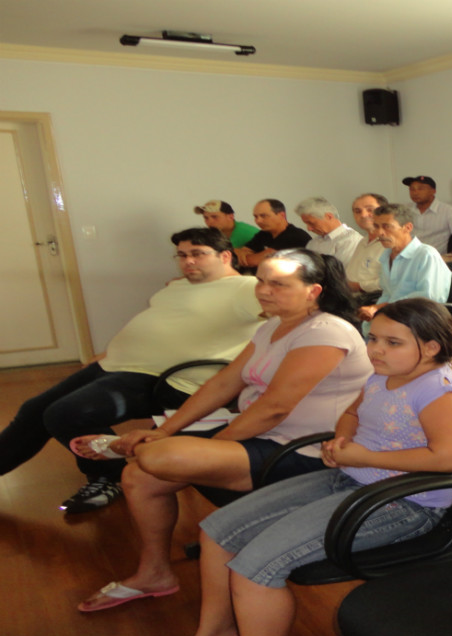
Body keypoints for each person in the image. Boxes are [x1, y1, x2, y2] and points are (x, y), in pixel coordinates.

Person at [138, 299, 452, 636]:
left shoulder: (441, 392)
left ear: (430, 348)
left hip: (403, 503)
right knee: (216, 531)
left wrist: (364, 455)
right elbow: (354, 413)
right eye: (373, 338)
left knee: (255, 568)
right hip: (353, 477)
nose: (375, 350)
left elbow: (448, 458)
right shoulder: (383, 374)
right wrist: (343, 438)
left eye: (392, 342)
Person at [73, 249, 373, 612]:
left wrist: (209, 448)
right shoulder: (273, 325)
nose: (263, 290)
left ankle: (130, 445)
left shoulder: (327, 331)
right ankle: (154, 573)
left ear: (313, 291)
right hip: (262, 437)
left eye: (278, 284)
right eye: (261, 280)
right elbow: (223, 384)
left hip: (306, 452)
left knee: (157, 457)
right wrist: (169, 430)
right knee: (140, 476)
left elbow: (275, 407)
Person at [0, 228, 262, 513]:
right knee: (34, 409)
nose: (188, 262)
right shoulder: (180, 285)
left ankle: (109, 478)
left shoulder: (246, 288)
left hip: (166, 378)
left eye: (198, 254)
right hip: (119, 364)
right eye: (183, 255)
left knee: (64, 413)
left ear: (225, 256)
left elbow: (290, 313)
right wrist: (114, 350)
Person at [359, 203, 451, 336]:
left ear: (407, 227)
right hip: (395, 318)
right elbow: (387, 294)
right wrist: (373, 313)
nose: (380, 233)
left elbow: (430, 298)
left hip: (420, 320)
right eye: (376, 226)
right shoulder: (386, 257)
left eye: (387, 226)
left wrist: (380, 308)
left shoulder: (426, 255)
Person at [403, 175, 452, 252]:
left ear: (433, 191)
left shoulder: (451, 213)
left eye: (421, 189)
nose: (415, 193)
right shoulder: (405, 210)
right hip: (407, 255)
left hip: (434, 259)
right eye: (412, 189)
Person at [241, 199, 311, 269]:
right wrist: (238, 252)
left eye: (263, 216)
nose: (258, 221)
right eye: (256, 217)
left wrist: (245, 256)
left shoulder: (295, 236)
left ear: (282, 215)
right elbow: (242, 252)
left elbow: (254, 261)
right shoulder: (264, 233)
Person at [344, 192, 388, 301]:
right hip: (353, 301)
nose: (363, 215)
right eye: (357, 211)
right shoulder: (363, 241)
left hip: (377, 302)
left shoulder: (391, 243)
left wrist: (359, 286)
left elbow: (394, 281)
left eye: (370, 210)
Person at [297, 196, 363, 266]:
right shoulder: (313, 243)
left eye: (311, 223)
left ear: (329, 216)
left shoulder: (351, 240)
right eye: (306, 223)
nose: (309, 229)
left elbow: (339, 273)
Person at [194, 200, 258, 249]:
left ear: (230, 217)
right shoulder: (213, 234)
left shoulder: (248, 233)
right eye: (206, 218)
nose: (209, 221)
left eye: (215, 217)